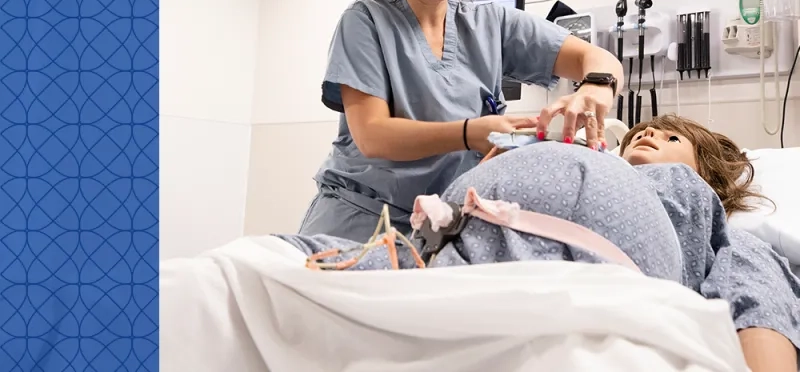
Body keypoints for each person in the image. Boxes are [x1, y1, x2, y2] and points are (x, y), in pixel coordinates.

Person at [280, 114, 800, 372]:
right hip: (458, 246)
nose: (648, 137)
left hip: (591, 280)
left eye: (670, 140)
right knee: (275, 267)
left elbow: (759, 302)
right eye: (641, 132)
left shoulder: (708, 215)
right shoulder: (592, 157)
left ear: (705, 174)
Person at [301, 0, 624, 242]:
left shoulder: (491, 23)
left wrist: (598, 85)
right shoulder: (365, 22)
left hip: (442, 227)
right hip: (361, 221)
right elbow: (373, 135)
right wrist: (472, 133)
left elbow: (596, 58)